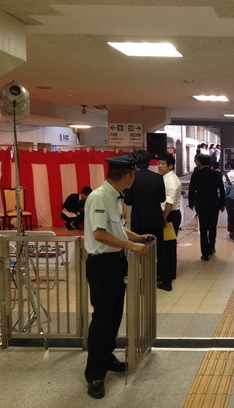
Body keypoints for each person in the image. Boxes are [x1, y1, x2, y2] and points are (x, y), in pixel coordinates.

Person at [83, 152, 153, 399]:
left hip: (115, 263)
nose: (134, 177)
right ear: (127, 175)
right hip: (102, 265)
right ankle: (94, 374)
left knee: (114, 315)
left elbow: (118, 228)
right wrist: (134, 247)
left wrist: (137, 237)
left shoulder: (114, 196)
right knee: (103, 318)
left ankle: (106, 356)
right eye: (133, 173)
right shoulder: (100, 197)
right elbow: (100, 234)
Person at [123, 150, 167, 289]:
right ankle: (163, 279)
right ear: (149, 162)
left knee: (138, 248)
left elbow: (128, 201)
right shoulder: (158, 178)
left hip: (138, 220)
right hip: (155, 219)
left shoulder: (132, 178)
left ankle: (140, 279)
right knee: (160, 249)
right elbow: (162, 199)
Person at [188, 154, 225, 261]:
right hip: (214, 204)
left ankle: (205, 253)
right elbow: (221, 190)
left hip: (201, 204)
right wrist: (223, 203)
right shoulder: (216, 174)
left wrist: (191, 203)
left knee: (203, 229)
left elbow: (191, 190)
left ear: (199, 162)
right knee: (212, 227)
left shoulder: (196, 175)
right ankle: (211, 247)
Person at [157, 153, 182, 291]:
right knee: (169, 245)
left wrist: (164, 218)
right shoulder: (166, 178)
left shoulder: (171, 180)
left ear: (170, 166)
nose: (159, 166)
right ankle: (169, 273)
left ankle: (168, 274)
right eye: (159, 163)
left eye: (162, 164)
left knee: (167, 246)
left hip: (170, 215)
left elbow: (169, 202)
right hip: (170, 214)